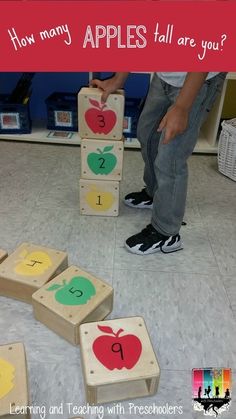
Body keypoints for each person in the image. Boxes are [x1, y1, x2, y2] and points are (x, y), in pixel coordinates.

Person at [91, 72, 226, 255]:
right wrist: (119, 79)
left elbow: (202, 54)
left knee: (171, 156)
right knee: (147, 134)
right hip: (166, 75)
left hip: (198, 80)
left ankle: (167, 233)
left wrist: (182, 107)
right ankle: (155, 193)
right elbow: (139, 43)